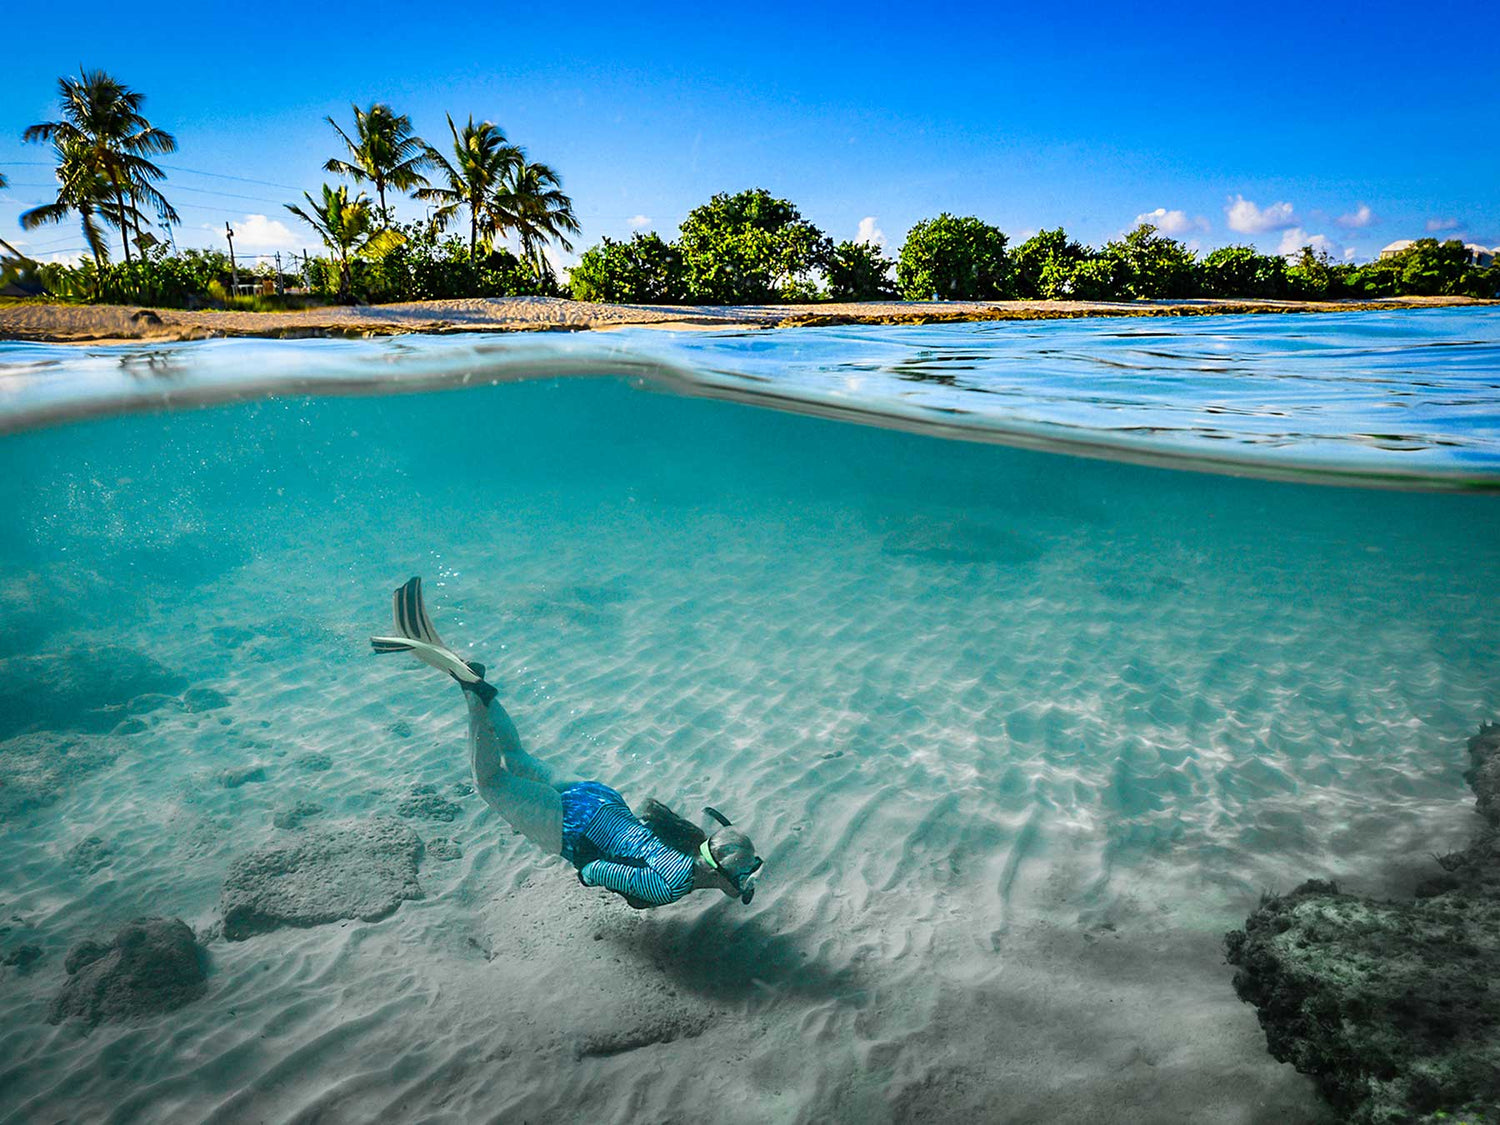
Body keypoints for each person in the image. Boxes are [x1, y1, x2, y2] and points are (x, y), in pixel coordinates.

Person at [371, 577, 763, 908]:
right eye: (746, 876)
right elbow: (593, 870)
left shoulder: (689, 842)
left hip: (601, 799)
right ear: (720, 873)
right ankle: (472, 692)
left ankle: (484, 690)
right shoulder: (671, 885)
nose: (748, 882)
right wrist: (596, 879)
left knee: (517, 756)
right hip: (573, 826)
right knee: (490, 781)